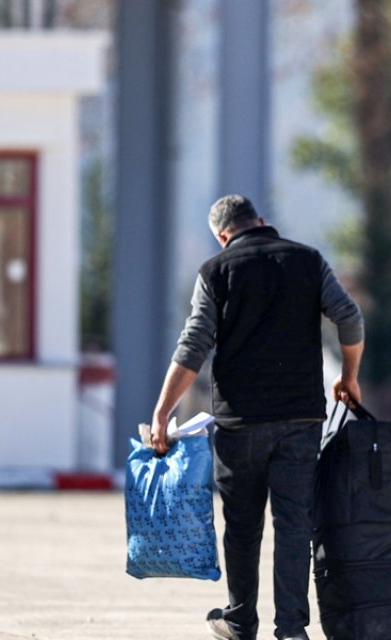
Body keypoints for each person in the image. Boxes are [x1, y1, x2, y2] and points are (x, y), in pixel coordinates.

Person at [150, 195, 364, 640]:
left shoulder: (215, 271)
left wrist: (162, 412)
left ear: (223, 236)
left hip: (240, 422)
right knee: (293, 525)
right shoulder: (308, 261)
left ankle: (241, 621)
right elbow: (349, 318)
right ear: (262, 222)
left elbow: (192, 348)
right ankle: (291, 630)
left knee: (242, 528)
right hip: (301, 418)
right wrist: (350, 376)